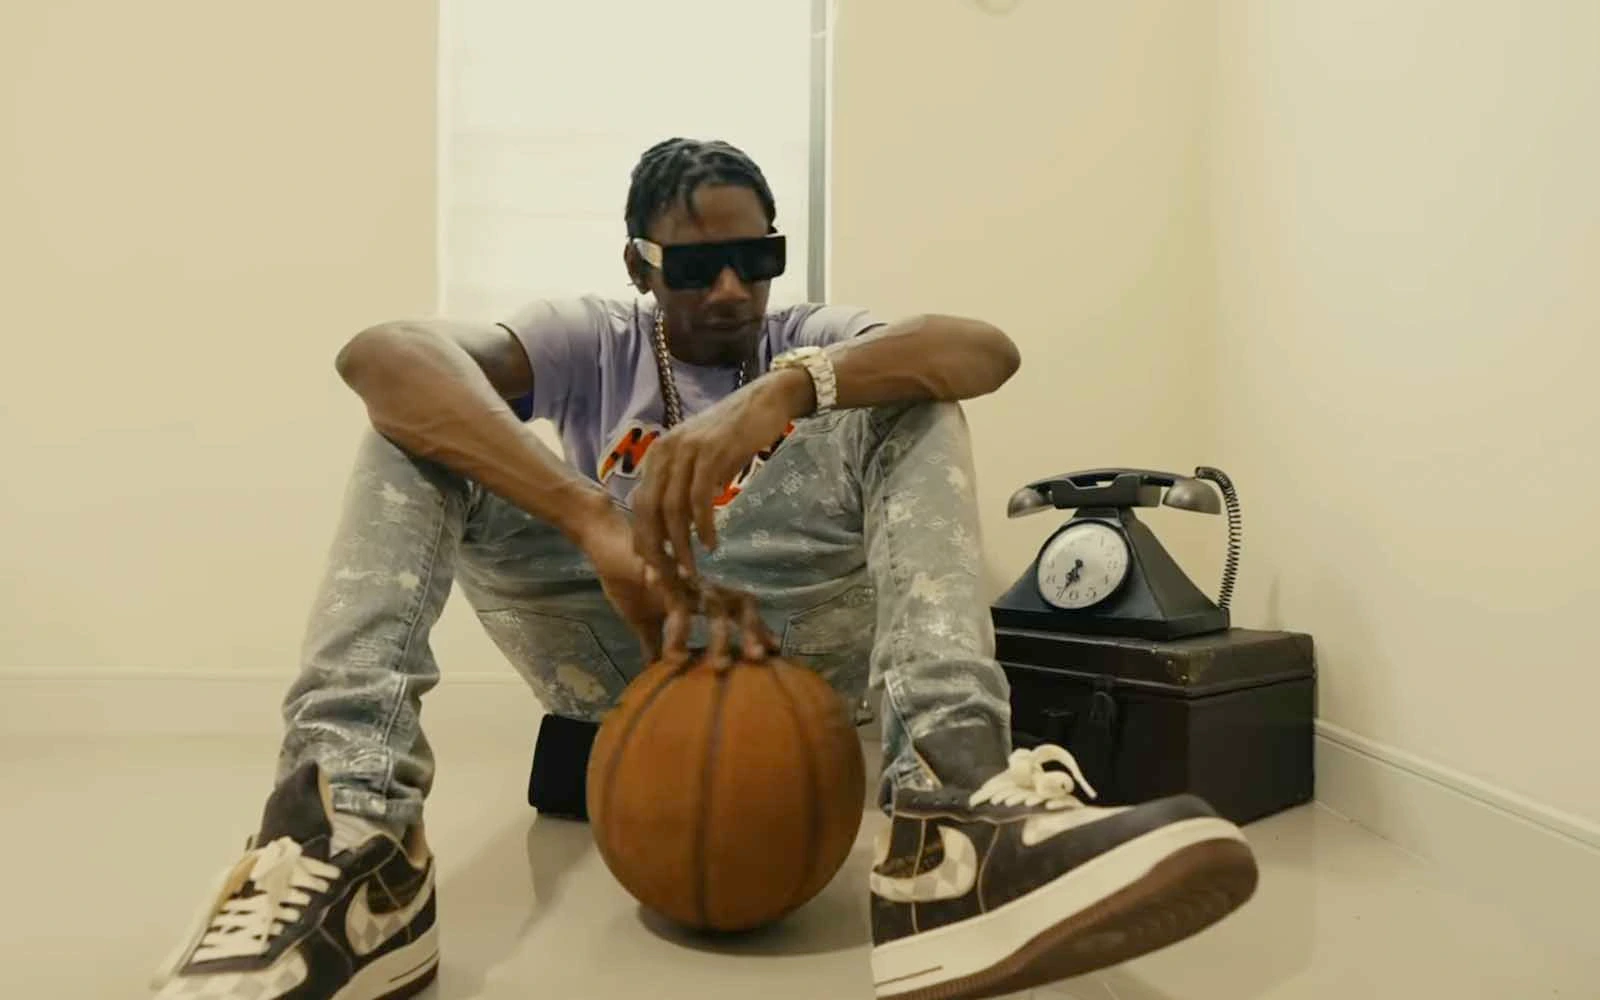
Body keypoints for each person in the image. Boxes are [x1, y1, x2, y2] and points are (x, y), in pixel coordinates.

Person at [151, 138, 1258, 1000]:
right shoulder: (591, 338)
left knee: (916, 399)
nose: (731, 288)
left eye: (756, 258)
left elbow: (986, 349)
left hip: (808, 643)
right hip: (616, 643)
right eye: (693, 266)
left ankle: (953, 814)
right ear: (639, 264)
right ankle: (352, 834)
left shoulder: (810, 336)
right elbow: (381, 354)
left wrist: (789, 389)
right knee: (413, 423)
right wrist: (592, 516)